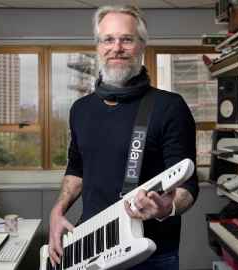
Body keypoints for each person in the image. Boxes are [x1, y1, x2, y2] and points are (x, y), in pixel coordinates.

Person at [47, 5, 199, 270]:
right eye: (108, 39)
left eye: (126, 39)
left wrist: (166, 208)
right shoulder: (81, 110)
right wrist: (57, 211)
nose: (116, 47)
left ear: (141, 46)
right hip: (92, 246)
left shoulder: (169, 107)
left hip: (151, 253)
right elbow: (76, 170)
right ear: (98, 46)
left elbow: (188, 187)